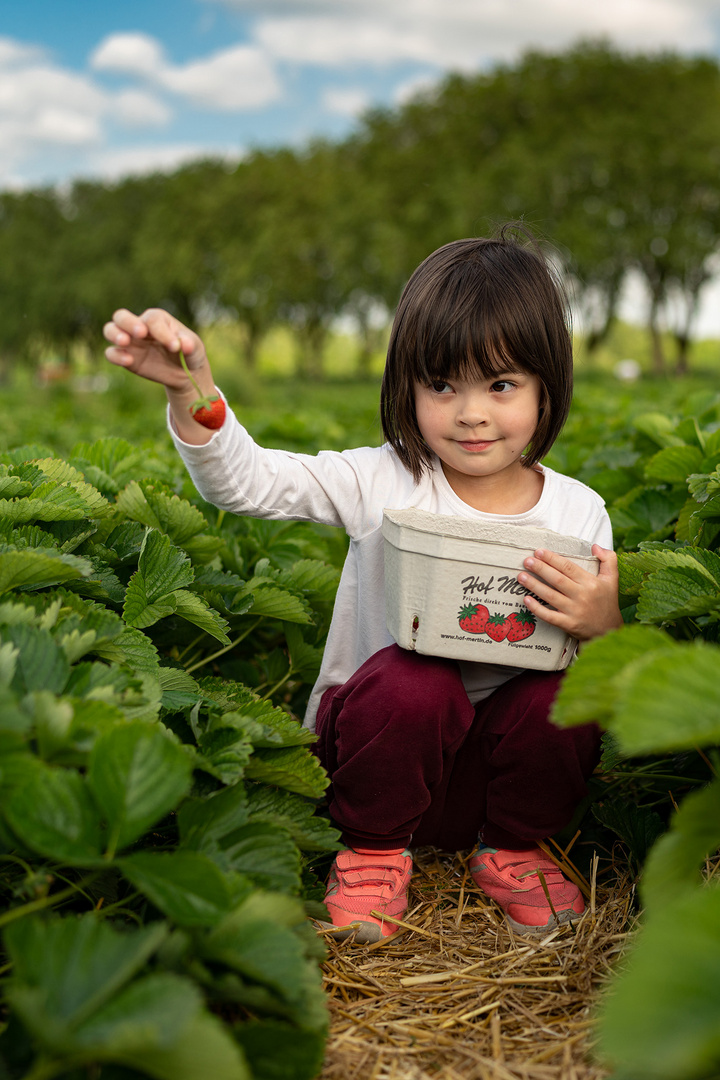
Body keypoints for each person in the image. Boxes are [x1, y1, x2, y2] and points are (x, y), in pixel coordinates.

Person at [103, 230, 623, 943]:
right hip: (373, 765)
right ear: (406, 386)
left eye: (501, 385)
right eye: (442, 385)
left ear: (546, 387)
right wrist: (196, 393)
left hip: (489, 785)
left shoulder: (577, 511)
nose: (471, 413)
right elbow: (248, 483)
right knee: (420, 679)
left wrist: (606, 624)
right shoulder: (383, 480)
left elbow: (607, 665)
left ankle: (512, 851)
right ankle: (373, 856)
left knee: (563, 689)